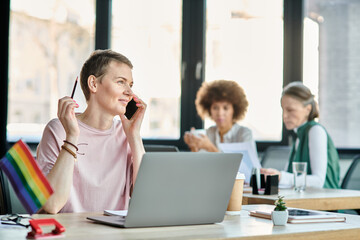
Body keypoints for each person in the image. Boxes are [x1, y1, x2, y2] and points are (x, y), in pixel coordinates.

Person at [36, 49, 147, 213]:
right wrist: (72, 135)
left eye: (130, 85)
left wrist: (135, 136)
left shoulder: (126, 133)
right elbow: (52, 204)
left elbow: (145, 199)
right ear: (93, 84)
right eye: (120, 82)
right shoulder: (59, 130)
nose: (130, 92)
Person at [261, 82, 340, 189]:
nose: (284, 116)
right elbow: (294, 180)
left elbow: (318, 181)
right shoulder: (299, 135)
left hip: (325, 201)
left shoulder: (315, 131)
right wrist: (274, 176)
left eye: (290, 110)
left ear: (307, 109)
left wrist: (281, 176)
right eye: (283, 110)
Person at [184, 80, 255, 152]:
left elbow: (242, 163)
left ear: (234, 110)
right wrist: (194, 146)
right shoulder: (209, 132)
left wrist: (209, 147)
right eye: (215, 108)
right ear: (209, 110)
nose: (220, 113)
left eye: (225, 108)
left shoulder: (244, 134)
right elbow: (201, 161)